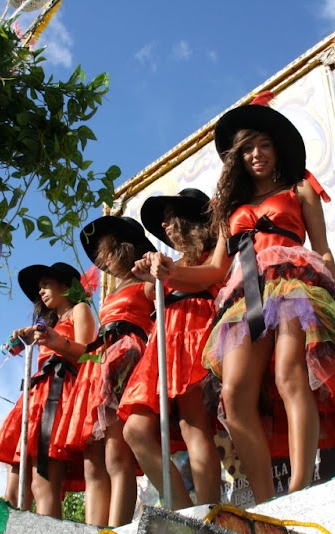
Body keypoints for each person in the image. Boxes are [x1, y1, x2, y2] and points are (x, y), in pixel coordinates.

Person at [147, 91, 335, 504]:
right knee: (233, 396)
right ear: (238, 158)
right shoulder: (230, 209)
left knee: (289, 374)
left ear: (277, 148)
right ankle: (268, 504)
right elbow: (215, 270)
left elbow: (323, 250)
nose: (256, 154)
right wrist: (170, 270)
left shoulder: (300, 189)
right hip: (242, 297)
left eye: (264, 144)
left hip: (293, 284)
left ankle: (300, 488)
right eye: (247, 148)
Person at [122, 188, 222, 509]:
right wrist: (149, 270)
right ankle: (183, 511)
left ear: (189, 218)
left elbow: (207, 279)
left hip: (194, 327)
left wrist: (167, 272)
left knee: (193, 425)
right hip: (164, 339)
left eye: (169, 217)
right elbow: (150, 292)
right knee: (135, 430)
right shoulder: (173, 261)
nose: (164, 226)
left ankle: (207, 514)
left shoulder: (213, 252)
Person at [53, 216, 155, 527]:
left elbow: (164, 299)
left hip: (127, 358)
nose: (104, 260)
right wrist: (56, 342)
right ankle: (93, 529)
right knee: (92, 461)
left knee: (115, 454)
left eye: (108, 251)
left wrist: (153, 271)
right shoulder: (113, 293)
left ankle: (115, 529)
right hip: (99, 363)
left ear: (124, 248)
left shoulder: (145, 281)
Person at [0, 262, 96, 518]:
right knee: (15, 486)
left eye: (46, 284)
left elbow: (88, 354)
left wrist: (55, 341)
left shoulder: (80, 310)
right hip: (36, 395)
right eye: (39, 287)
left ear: (66, 285)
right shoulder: (51, 324)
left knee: (43, 483)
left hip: (59, 395)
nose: (41, 291)